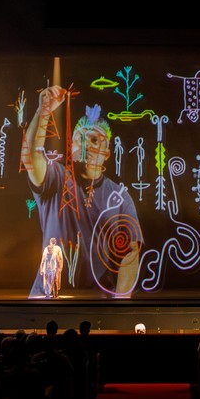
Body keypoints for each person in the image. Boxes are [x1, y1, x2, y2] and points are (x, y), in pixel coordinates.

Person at [24, 85, 142, 298]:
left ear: (107, 152)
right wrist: (43, 112)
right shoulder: (55, 178)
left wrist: (120, 307)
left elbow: (130, 253)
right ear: (71, 145)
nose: (87, 146)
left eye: (95, 140)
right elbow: (32, 156)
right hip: (46, 300)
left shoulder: (119, 195)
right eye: (81, 139)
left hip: (97, 306)